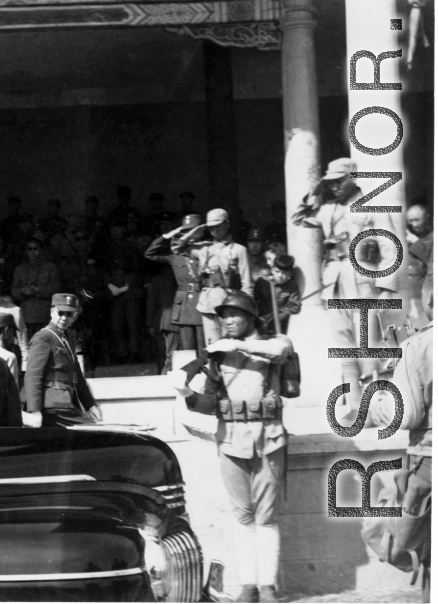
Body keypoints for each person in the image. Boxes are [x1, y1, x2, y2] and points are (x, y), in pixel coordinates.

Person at [169, 291, 292, 603]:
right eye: (223, 316)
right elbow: (211, 403)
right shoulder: (217, 356)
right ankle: (249, 586)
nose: (227, 321)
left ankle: (268, 587)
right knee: (242, 516)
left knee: (266, 516)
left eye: (234, 314)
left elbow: (280, 350)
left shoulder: (272, 343)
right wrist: (185, 392)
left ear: (250, 318)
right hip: (231, 442)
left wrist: (236, 345)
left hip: (269, 439)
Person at [293, 157, 400, 413]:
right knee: (344, 343)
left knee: (372, 344)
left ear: (353, 177)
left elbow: (390, 247)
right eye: (329, 184)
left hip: (365, 279)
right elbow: (298, 217)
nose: (333, 188)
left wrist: (386, 288)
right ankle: (355, 405)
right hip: (335, 279)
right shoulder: (328, 208)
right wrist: (316, 189)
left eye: (338, 181)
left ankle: (380, 405)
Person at [373, 307, 432, 602]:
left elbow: (406, 415)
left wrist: (378, 402)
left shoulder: (419, 344)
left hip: (429, 459)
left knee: (416, 538)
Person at [176, 208, 252, 346]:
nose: (214, 230)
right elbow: (177, 248)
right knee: (212, 346)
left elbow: (247, 284)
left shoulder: (239, 250)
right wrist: (196, 231)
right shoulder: (204, 248)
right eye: (211, 227)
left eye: (218, 226)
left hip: (229, 304)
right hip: (207, 303)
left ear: (227, 224)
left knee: (230, 345)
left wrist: (248, 312)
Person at [25, 293, 102, 427]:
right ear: (51, 312)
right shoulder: (43, 337)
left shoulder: (68, 338)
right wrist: (34, 410)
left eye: (69, 314)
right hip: (51, 405)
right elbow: (33, 376)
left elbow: (77, 375)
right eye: (60, 313)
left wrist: (90, 405)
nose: (64, 318)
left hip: (65, 404)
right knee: (91, 432)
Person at [145, 214, 207, 362]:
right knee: (188, 349)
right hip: (184, 306)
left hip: (202, 303)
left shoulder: (207, 250)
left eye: (192, 230)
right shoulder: (175, 256)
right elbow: (149, 253)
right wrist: (167, 236)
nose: (188, 235)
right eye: (185, 231)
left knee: (204, 347)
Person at [12, 238, 61, 340]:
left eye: (35, 249)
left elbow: (56, 289)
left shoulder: (50, 267)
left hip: (44, 313)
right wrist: (22, 291)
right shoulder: (20, 269)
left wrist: (38, 289)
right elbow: (13, 290)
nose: (32, 252)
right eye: (29, 249)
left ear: (41, 250)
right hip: (26, 313)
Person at [253, 255, 301, 336]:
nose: (280, 276)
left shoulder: (291, 286)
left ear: (290, 274)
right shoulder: (262, 282)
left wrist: (277, 318)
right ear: (272, 270)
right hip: (260, 324)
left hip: (280, 325)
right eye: (277, 271)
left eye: (284, 273)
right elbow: (254, 302)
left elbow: (294, 306)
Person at [406, 203, 433, 318]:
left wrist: (416, 242)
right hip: (413, 299)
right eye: (411, 221)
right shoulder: (408, 237)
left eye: (417, 220)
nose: (414, 225)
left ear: (427, 217)